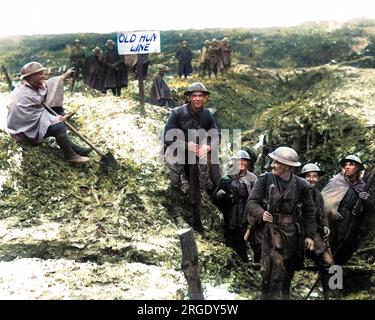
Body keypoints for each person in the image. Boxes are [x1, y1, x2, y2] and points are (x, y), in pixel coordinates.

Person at [246, 146, 316, 299]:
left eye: (276, 162)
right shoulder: (264, 179)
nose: (272, 165)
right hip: (268, 232)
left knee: (287, 271)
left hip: (291, 235)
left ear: (288, 167)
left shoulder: (302, 185)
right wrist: (261, 213)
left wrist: (309, 235)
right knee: (268, 270)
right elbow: (251, 202)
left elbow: (310, 211)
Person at [6, 62, 90, 165]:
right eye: (40, 74)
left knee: (57, 117)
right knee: (58, 127)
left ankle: (77, 149)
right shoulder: (24, 95)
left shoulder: (32, 86)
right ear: (31, 77)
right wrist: (55, 119)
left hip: (31, 123)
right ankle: (71, 156)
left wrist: (63, 77)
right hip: (24, 131)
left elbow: (47, 85)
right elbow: (31, 117)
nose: (43, 76)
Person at [164, 82, 221, 233]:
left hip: (195, 152)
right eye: (194, 96)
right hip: (177, 149)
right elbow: (168, 137)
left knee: (196, 182)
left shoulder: (207, 114)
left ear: (205, 98)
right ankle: (176, 214)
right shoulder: (177, 113)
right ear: (189, 97)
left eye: (200, 96)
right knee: (174, 178)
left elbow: (216, 134)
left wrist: (208, 146)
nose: (197, 99)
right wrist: (185, 144)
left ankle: (196, 216)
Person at [321, 155, 369, 265]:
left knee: (346, 248)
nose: (347, 167)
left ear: (357, 168)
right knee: (331, 247)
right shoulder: (336, 181)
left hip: (352, 222)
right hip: (335, 221)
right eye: (345, 164)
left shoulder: (363, 186)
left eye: (351, 164)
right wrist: (331, 211)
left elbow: (368, 210)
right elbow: (324, 200)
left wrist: (365, 199)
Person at [213, 150, 257, 261]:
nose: (241, 163)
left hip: (248, 215)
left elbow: (258, 198)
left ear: (248, 163)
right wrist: (222, 195)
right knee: (232, 242)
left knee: (251, 243)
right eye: (239, 161)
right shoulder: (227, 178)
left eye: (244, 161)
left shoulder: (253, 179)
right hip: (231, 215)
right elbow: (216, 199)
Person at [299, 163, 334, 299]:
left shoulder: (317, 194)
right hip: (301, 232)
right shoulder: (297, 192)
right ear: (303, 177)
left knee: (330, 263)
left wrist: (325, 225)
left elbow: (322, 213)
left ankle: (331, 293)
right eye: (308, 176)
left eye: (314, 176)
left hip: (316, 232)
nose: (311, 179)